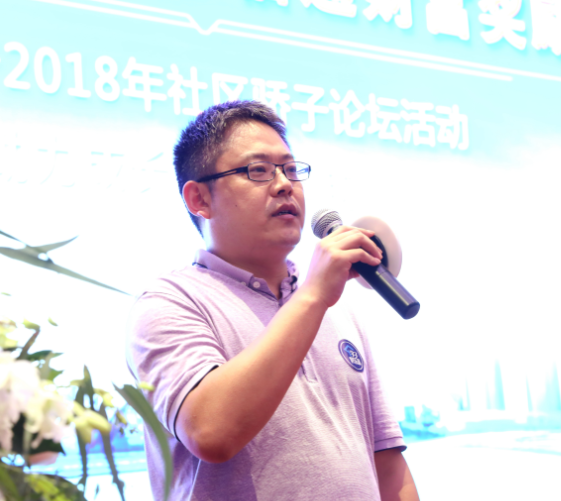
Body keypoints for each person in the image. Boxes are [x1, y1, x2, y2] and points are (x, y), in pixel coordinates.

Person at [127, 100, 419, 500]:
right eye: (258, 170)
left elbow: (386, 461)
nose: (284, 184)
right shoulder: (168, 303)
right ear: (199, 199)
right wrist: (314, 295)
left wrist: (316, 295)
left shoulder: (338, 305)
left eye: (291, 169)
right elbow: (211, 432)